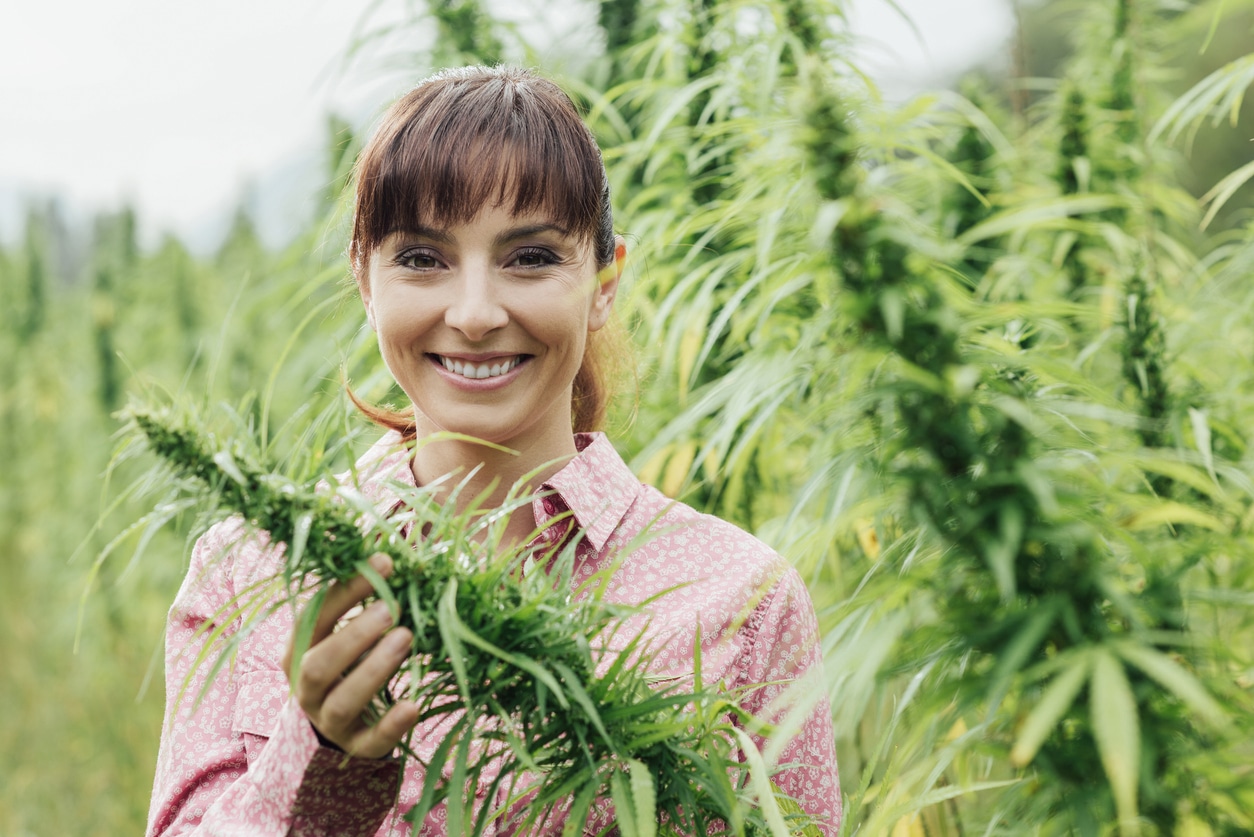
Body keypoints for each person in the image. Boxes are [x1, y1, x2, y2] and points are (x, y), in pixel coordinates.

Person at [146, 65, 841, 836]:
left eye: (531, 257)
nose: (475, 314)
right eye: (421, 258)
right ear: (364, 278)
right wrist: (316, 772)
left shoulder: (740, 599)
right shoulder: (250, 573)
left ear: (605, 280)